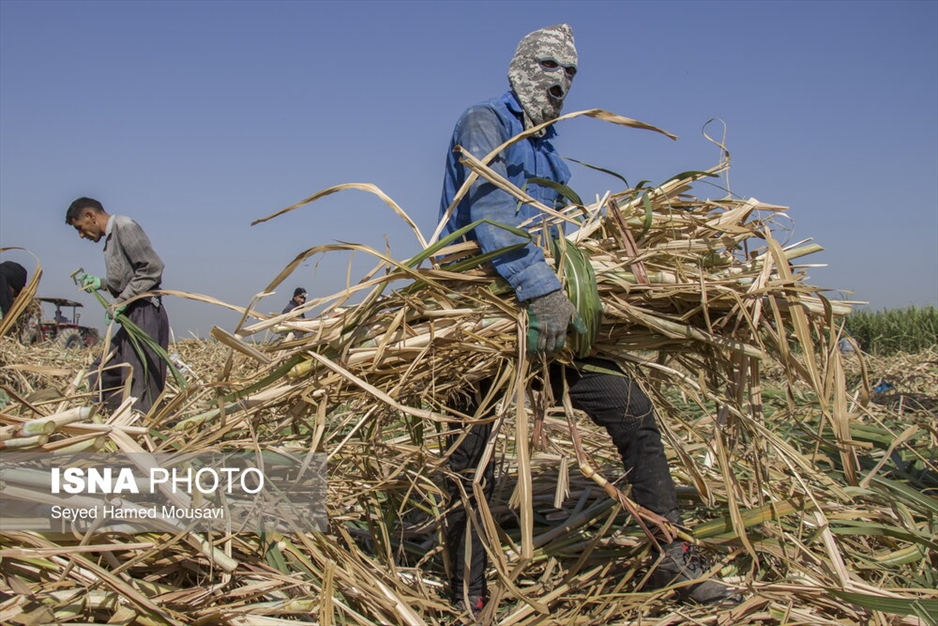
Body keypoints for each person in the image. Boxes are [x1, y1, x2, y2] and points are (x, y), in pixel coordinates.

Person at [438, 24, 737, 615]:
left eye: (571, 71)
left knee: (632, 411)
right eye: (549, 65)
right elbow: (490, 216)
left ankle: (672, 558)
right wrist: (541, 289)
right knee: (471, 457)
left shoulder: (549, 146)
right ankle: (468, 592)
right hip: (480, 312)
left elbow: (557, 233)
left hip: (547, 318)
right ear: (521, 67)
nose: (561, 81)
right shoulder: (485, 121)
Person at [65, 197, 169, 414]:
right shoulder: (111, 239)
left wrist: (122, 301)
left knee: (139, 378)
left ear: (91, 216)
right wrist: (101, 284)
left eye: (80, 228)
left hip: (145, 312)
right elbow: (127, 279)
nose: (81, 235)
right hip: (131, 314)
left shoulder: (124, 227)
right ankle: (111, 418)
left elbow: (152, 268)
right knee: (102, 371)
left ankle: (140, 424)